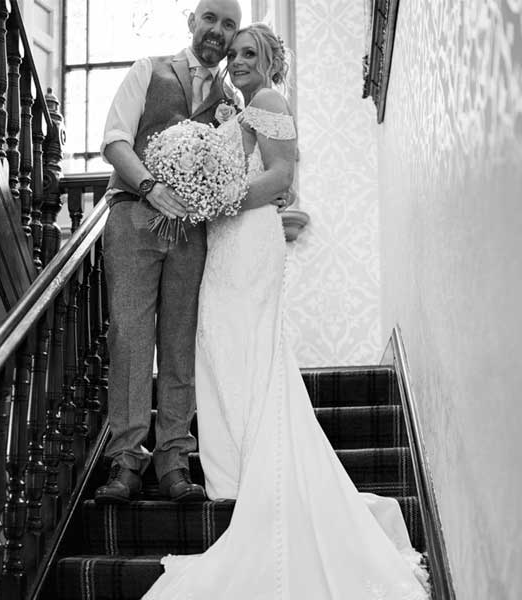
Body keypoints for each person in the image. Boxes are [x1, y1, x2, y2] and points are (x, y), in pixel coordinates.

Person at [142, 23, 430, 599]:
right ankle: (238, 471)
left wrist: (214, 198)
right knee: (220, 349)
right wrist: (202, 193)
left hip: (249, 243)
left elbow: (280, 176)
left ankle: (259, 479)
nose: (240, 60)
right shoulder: (233, 114)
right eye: (236, 54)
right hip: (223, 244)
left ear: (271, 61)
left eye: (252, 53)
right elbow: (254, 175)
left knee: (248, 349)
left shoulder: (269, 101)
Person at [95, 0, 288, 505]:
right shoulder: (148, 69)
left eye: (229, 25)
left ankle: (175, 460)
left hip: (195, 232)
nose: (219, 32)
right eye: (211, 20)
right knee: (131, 336)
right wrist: (150, 184)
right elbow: (114, 140)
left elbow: (263, 159)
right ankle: (126, 460)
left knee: (182, 341)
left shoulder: (236, 98)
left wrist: (263, 190)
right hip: (134, 214)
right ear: (192, 22)